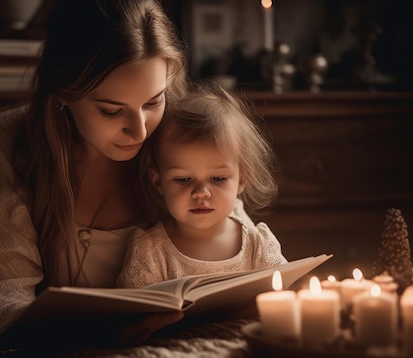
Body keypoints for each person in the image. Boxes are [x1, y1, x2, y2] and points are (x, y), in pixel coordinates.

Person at [0, 0, 188, 349]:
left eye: (153, 102)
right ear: (62, 95)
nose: (139, 131)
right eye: (110, 111)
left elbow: (235, 246)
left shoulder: (181, 132)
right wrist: (84, 334)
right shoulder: (8, 143)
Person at [117, 82, 287, 289]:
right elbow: (135, 311)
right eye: (183, 179)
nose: (201, 193)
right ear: (157, 181)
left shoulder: (257, 244)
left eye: (217, 179)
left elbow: (282, 297)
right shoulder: (150, 251)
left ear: (242, 179)